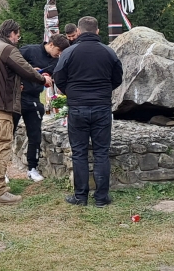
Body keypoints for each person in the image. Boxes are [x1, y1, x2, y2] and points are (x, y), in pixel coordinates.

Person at [0, 19, 51, 205]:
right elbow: (26, 70)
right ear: (11, 33)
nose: (18, 38)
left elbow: (2, 72)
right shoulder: (8, 49)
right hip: (1, 105)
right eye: (17, 35)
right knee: (2, 147)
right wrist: (43, 80)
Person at [53, 16, 125, 207]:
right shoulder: (108, 52)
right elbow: (118, 78)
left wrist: (71, 92)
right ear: (97, 31)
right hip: (101, 106)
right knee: (101, 152)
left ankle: (81, 196)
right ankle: (101, 197)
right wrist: (103, 90)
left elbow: (58, 77)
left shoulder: (70, 52)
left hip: (77, 107)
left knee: (79, 152)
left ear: (78, 32)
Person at [17, 34, 71, 182]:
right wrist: (26, 73)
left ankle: (32, 168)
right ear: (51, 44)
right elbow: (11, 66)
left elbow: (56, 78)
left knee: (35, 134)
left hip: (34, 98)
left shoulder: (56, 61)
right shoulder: (28, 51)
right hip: (16, 97)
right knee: (8, 133)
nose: (59, 55)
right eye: (58, 51)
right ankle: (2, 170)